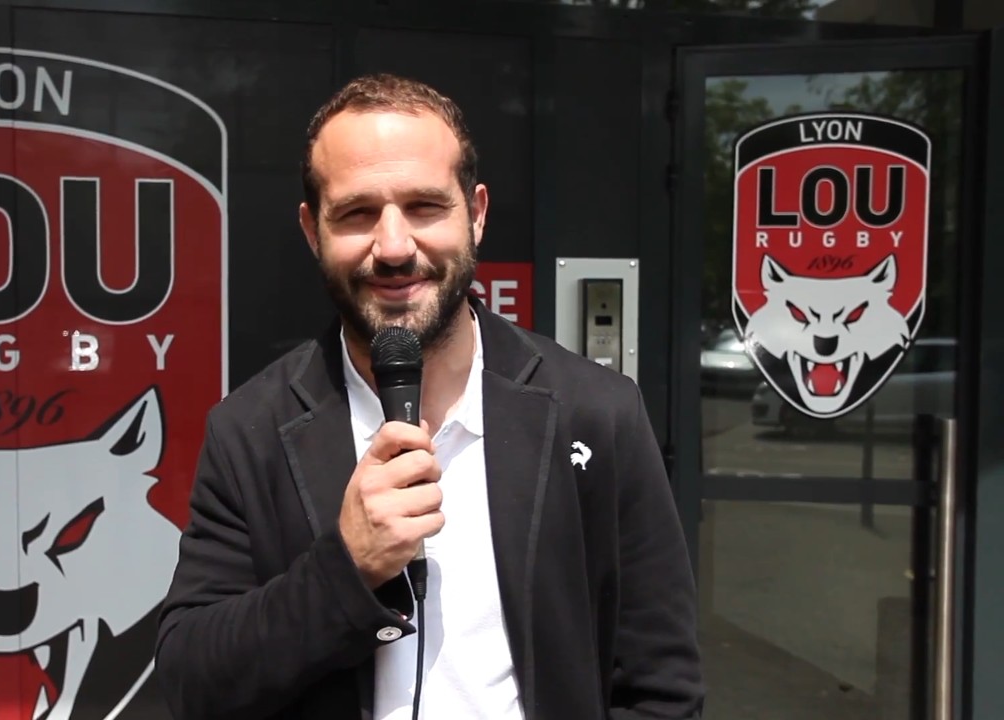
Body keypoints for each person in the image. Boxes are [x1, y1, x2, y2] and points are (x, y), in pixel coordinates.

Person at [154, 73, 704, 720]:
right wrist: (345, 569)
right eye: (358, 213)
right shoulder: (250, 430)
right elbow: (192, 681)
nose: (393, 247)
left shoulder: (597, 411)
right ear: (312, 230)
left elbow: (661, 687)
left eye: (424, 207)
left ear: (476, 212)